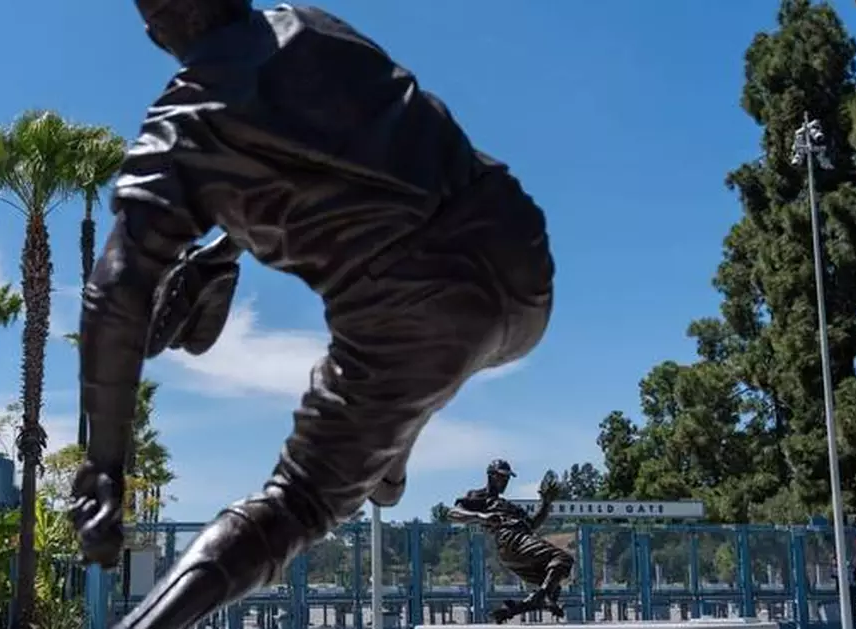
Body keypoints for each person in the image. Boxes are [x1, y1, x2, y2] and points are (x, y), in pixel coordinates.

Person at [68, 1, 555, 627]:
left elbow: (114, 293)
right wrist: (223, 250)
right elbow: (335, 153)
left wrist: (105, 466)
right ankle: (393, 435)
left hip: (416, 321)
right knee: (411, 367)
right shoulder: (310, 22)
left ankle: (391, 434)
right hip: (521, 260)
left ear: (159, 25)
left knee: (294, 504)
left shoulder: (187, 120)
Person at [448, 460, 572, 623]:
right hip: (510, 538)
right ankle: (539, 598)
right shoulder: (480, 497)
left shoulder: (508, 505)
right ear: (491, 476)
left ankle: (513, 610)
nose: (505, 481)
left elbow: (532, 525)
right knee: (563, 559)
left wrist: (546, 504)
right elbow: (453, 513)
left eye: (507, 478)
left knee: (552, 585)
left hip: (516, 547)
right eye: (502, 477)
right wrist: (481, 517)